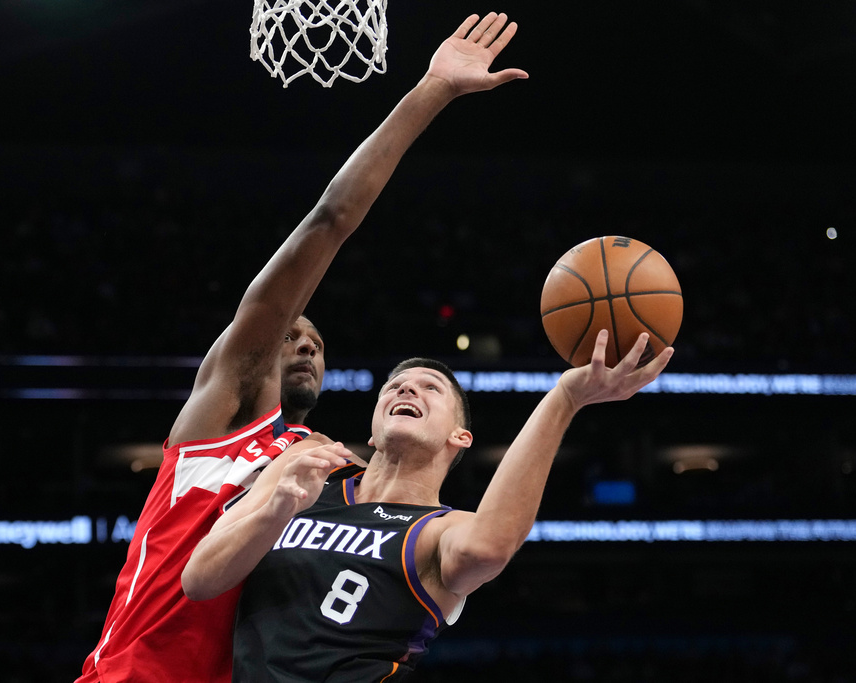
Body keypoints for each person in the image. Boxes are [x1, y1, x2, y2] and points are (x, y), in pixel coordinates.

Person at [76, 10, 529, 683]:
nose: (306, 344)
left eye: (316, 339)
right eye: (290, 333)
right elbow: (330, 220)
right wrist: (431, 91)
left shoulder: (322, 469)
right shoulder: (225, 417)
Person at [182, 330, 674, 681]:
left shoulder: (439, 531)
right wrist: (274, 511)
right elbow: (199, 579)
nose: (405, 388)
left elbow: (491, 545)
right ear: (374, 430)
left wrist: (564, 398)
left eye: (429, 388)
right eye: (393, 386)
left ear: (460, 437)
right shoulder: (310, 469)